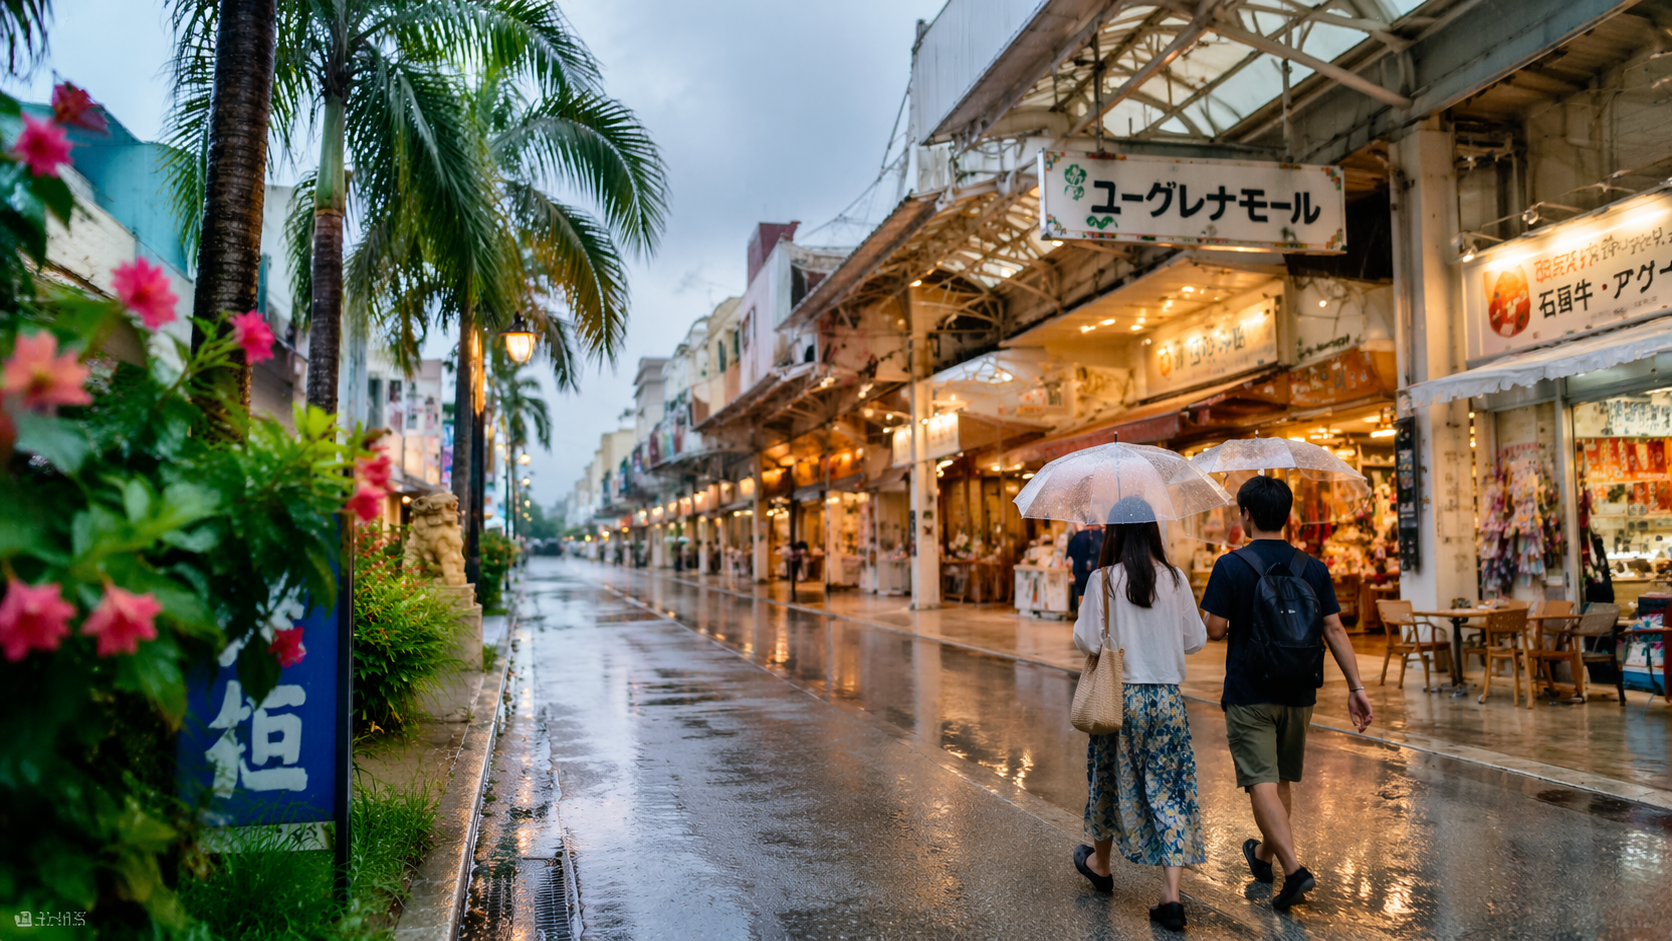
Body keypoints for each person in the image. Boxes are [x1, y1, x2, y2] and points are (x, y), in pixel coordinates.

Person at [1200, 475, 1375, 912]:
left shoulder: (1230, 565)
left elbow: (1215, 630)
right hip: (1299, 691)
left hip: (1249, 690)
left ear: (1246, 516)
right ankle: (1262, 855)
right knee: (1279, 780)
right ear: (1289, 515)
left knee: (1260, 782)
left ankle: (1294, 870)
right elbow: (1333, 628)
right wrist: (1356, 687)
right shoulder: (1313, 567)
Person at [1070, 497, 1207, 932]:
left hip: (1119, 699)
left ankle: (1102, 865)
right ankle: (1170, 897)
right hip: (1166, 699)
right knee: (1168, 790)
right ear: (1152, 531)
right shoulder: (1175, 578)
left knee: (1108, 778)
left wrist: (1084, 616)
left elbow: (1088, 642)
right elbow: (1195, 641)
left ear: (1113, 533)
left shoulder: (1102, 580)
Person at [1066, 523, 1104, 614]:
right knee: (1095, 597)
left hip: (1080, 573)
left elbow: (1069, 554)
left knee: (1081, 597)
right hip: (1096, 572)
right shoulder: (1101, 536)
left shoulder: (1078, 537)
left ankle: (1081, 614)